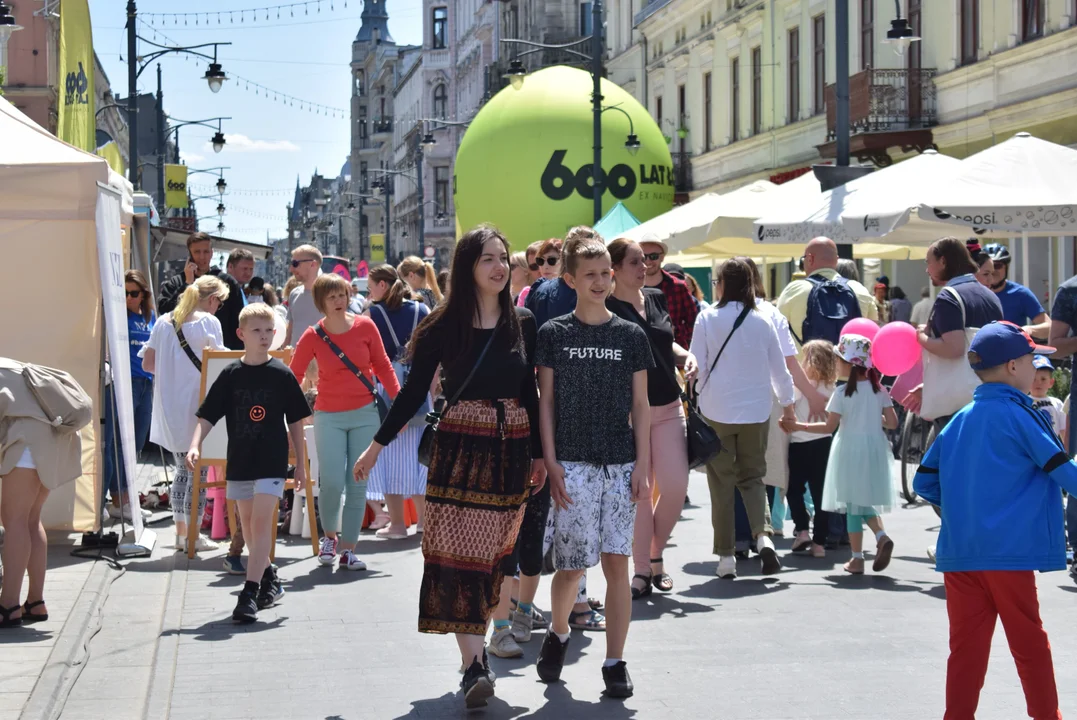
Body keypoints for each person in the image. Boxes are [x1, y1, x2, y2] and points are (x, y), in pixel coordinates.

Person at [353, 225, 543, 709]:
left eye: (503, 257)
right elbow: (413, 393)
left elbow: (530, 394)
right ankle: (476, 666)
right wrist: (376, 447)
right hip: (458, 450)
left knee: (496, 557)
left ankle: (473, 658)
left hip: (510, 450)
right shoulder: (441, 325)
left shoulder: (523, 320)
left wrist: (542, 455)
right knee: (455, 556)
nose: (500, 267)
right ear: (467, 267)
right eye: (487, 259)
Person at [913, 321, 1073, 720]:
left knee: (965, 649)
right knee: (1029, 644)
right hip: (1009, 554)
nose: (1037, 369)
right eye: (1032, 359)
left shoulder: (961, 418)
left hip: (962, 554)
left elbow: (924, 482)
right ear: (1013, 367)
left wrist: (967, 510)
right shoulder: (1021, 415)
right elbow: (1060, 469)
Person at [534, 231, 652, 700]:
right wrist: (551, 459)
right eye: (591, 275)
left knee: (616, 563)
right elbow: (546, 403)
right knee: (571, 567)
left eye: (606, 272)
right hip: (572, 463)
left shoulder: (630, 334)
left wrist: (643, 463)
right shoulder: (554, 333)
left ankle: (615, 661)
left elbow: (641, 406)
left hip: (620, 463)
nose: (601, 281)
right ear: (570, 279)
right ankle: (560, 632)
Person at [187, 304, 311, 623]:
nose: (264, 336)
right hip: (240, 461)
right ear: (241, 335)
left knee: (259, 524)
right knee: (250, 531)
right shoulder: (231, 374)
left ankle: (249, 593)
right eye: (257, 331)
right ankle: (270, 579)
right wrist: (194, 445)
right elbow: (207, 415)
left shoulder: (282, 374)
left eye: (269, 330)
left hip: (271, 461)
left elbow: (296, 421)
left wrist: (301, 464)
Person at [690, 258, 796, 580]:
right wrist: (789, 406)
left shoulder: (707, 318)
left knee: (722, 482)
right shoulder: (764, 320)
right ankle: (763, 538)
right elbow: (781, 370)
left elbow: (697, 366)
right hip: (756, 412)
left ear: (721, 283)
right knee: (753, 477)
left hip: (717, 411)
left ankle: (726, 558)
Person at [606, 239, 697, 599]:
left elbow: (665, 342)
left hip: (669, 405)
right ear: (614, 269)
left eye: (644, 260)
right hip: (629, 413)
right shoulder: (608, 309)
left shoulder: (656, 298)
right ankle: (643, 568)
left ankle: (655, 553)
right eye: (634, 262)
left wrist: (684, 355)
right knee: (639, 493)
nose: (643, 267)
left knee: (675, 486)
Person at [290, 273, 400, 572]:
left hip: (365, 413)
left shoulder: (365, 325)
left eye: (342, 295)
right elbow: (294, 375)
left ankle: (349, 548)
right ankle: (329, 539)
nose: (339, 301)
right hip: (329, 415)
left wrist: (399, 402)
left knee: (357, 482)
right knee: (333, 482)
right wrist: (288, 411)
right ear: (321, 302)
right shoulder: (313, 335)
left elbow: (383, 365)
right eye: (332, 297)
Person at [783, 334, 899, 574]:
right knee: (862, 501)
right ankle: (876, 539)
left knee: (852, 503)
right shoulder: (879, 391)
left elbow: (828, 427)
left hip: (848, 450)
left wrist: (799, 426)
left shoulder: (842, 392)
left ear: (848, 363)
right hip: (874, 449)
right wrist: (869, 417)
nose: (836, 363)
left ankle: (864, 551)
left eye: (839, 359)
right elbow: (893, 422)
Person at [140, 275, 229, 552]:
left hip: (169, 405)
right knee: (198, 474)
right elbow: (219, 362)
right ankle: (192, 535)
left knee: (182, 470)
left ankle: (181, 535)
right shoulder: (208, 322)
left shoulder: (164, 321)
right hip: (199, 404)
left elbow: (148, 363)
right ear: (212, 299)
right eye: (220, 302)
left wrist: (174, 370)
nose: (219, 308)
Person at [0, 360, 91, 628]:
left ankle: (8, 606)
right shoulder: (10, 366)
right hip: (56, 438)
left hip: (29, 442)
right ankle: (35, 602)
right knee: (30, 518)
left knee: (14, 520)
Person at [903, 237, 1004, 428]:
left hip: (956, 406)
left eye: (928, 262)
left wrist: (922, 337)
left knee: (953, 456)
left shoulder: (949, 297)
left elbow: (954, 348)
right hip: (989, 395)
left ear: (943, 261)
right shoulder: (991, 296)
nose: (927, 270)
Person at [364, 264, 430, 539]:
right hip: (419, 387)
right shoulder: (422, 310)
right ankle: (425, 523)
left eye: (370, 287)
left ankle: (399, 525)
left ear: (382, 285)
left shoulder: (372, 315)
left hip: (386, 386)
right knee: (420, 457)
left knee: (390, 456)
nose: (368, 293)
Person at [102, 270, 156, 522]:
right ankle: (119, 500)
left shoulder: (150, 317)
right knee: (119, 444)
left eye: (133, 293)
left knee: (136, 445)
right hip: (124, 383)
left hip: (147, 383)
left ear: (143, 294)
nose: (128, 298)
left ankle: (127, 498)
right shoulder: (118, 316)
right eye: (123, 293)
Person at [776, 237, 877, 352]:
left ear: (809, 259)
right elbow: (873, 332)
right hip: (849, 368)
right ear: (836, 260)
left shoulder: (794, 289)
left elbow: (776, 330)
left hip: (806, 368)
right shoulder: (860, 289)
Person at [785, 340, 837, 558]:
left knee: (794, 489)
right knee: (820, 493)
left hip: (798, 443)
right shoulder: (832, 389)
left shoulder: (798, 386)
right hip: (823, 443)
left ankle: (802, 529)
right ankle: (820, 543)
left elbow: (787, 403)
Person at [157, 232, 246, 350]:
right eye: (197, 252)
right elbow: (165, 310)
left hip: (221, 349)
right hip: (184, 352)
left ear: (212, 253)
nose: (202, 257)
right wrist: (187, 284)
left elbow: (238, 320)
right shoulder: (178, 281)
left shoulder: (226, 282)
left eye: (206, 252)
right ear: (190, 255)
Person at [639, 233, 699, 348]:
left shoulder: (678, 286)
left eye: (654, 256)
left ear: (662, 257)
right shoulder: (630, 286)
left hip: (673, 355)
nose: (648, 261)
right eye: (644, 257)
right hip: (640, 354)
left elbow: (694, 322)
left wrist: (675, 332)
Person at [982, 243, 1051, 338]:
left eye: (997, 265)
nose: (993, 271)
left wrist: (1028, 330)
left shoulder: (1021, 294)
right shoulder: (973, 294)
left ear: (1006, 267)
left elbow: (1049, 327)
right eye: (988, 267)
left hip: (1013, 350)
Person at [286, 244, 324, 348]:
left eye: (295, 263)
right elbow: (290, 331)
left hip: (322, 361)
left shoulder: (330, 294)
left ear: (313, 264)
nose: (291, 269)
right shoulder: (294, 294)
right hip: (296, 360)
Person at [1030, 355, 1065, 440]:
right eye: (1033, 379)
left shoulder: (1057, 403)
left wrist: (1067, 451)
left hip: (1053, 449)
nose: (1038, 383)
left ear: (1051, 382)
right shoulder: (1022, 402)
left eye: (1043, 379)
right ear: (1026, 380)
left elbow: (1064, 430)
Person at [516, 240, 545, 308]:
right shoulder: (526, 294)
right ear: (529, 269)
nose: (540, 270)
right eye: (534, 267)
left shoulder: (568, 290)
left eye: (542, 263)